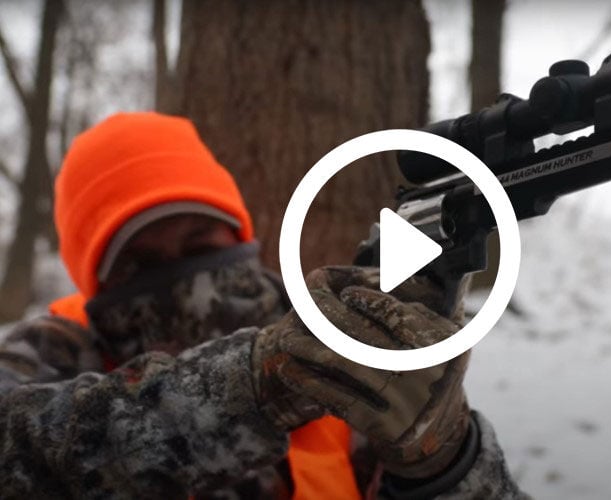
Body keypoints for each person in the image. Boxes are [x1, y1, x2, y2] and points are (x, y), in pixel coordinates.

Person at [0, 112, 528, 499]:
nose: (186, 280)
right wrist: (253, 387)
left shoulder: (335, 339)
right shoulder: (48, 357)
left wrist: (446, 463)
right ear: (96, 284)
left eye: (201, 247)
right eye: (139, 264)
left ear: (239, 238)